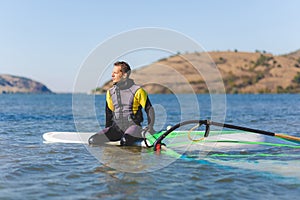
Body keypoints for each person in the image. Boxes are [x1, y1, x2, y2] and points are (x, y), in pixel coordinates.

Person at [88, 61, 155, 146]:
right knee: (92, 140)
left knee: (125, 141)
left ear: (124, 75)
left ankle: (139, 135)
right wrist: (107, 130)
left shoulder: (138, 91)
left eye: (115, 73)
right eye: (112, 73)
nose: (112, 75)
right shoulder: (110, 92)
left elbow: (149, 109)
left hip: (133, 127)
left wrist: (150, 127)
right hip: (116, 128)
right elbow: (109, 113)